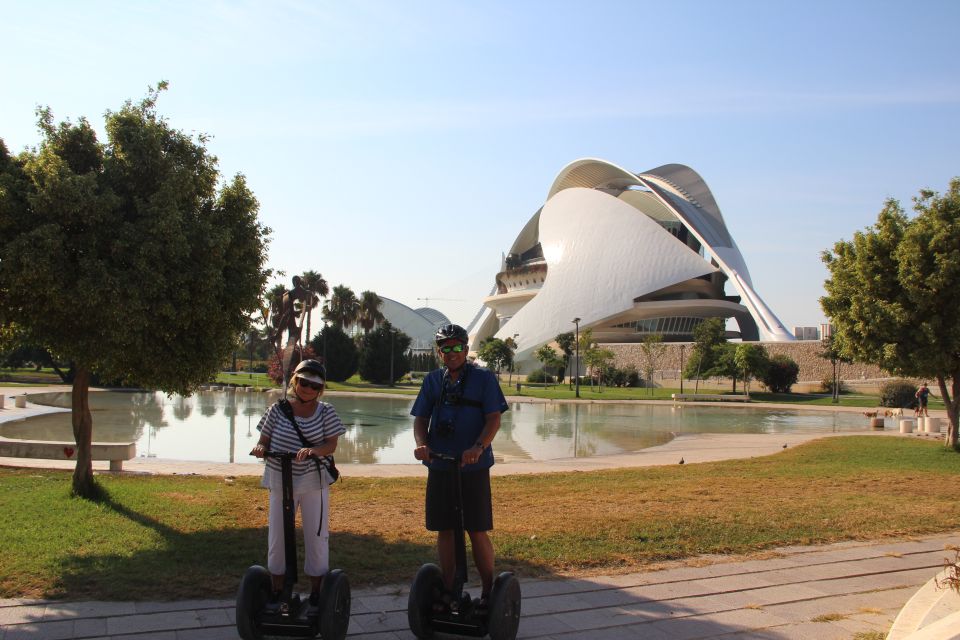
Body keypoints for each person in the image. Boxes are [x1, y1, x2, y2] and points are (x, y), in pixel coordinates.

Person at [411, 324, 509, 612]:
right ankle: (450, 586)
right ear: (438, 352)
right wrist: (422, 443)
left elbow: (493, 419)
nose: (451, 353)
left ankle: (489, 589)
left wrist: (478, 448)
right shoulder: (432, 381)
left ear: (466, 350)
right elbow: (420, 419)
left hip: (472, 467)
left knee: (476, 529)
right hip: (440, 464)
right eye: (445, 348)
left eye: (456, 347)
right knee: (445, 529)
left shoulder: (483, 379)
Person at [251, 358, 344, 611]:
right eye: (303, 382)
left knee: (316, 535)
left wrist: (313, 450)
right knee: (277, 537)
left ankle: (317, 591)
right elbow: (264, 439)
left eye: (314, 386)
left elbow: (331, 445)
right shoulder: (277, 409)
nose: (307, 389)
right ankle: (278, 588)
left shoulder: (326, 411)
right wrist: (261, 447)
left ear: (320, 389)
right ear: (295, 381)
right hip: (281, 479)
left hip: (314, 481)